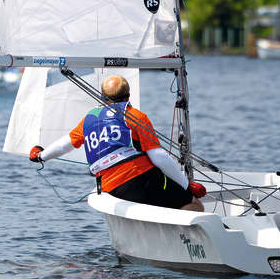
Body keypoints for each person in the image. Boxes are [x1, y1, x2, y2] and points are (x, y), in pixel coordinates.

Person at [29, 75, 205, 211]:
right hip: (141, 179)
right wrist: (187, 186)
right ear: (128, 96)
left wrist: (40, 155)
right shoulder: (135, 116)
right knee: (195, 205)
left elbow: (64, 145)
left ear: (102, 96)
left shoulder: (89, 119)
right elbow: (159, 157)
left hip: (112, 189)